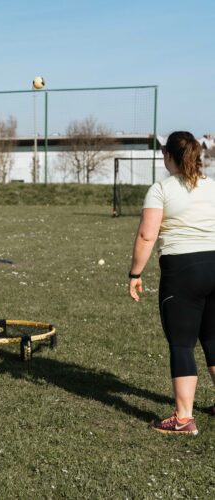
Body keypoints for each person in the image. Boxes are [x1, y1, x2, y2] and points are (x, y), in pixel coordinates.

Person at [129, 131, 215, 435]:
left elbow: (146, 235)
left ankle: (183, 418)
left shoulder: (161, 189)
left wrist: (135, 274)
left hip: (183, 271)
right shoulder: (212, 185)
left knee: (182, 344)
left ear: (168, 156)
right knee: (213, 338)